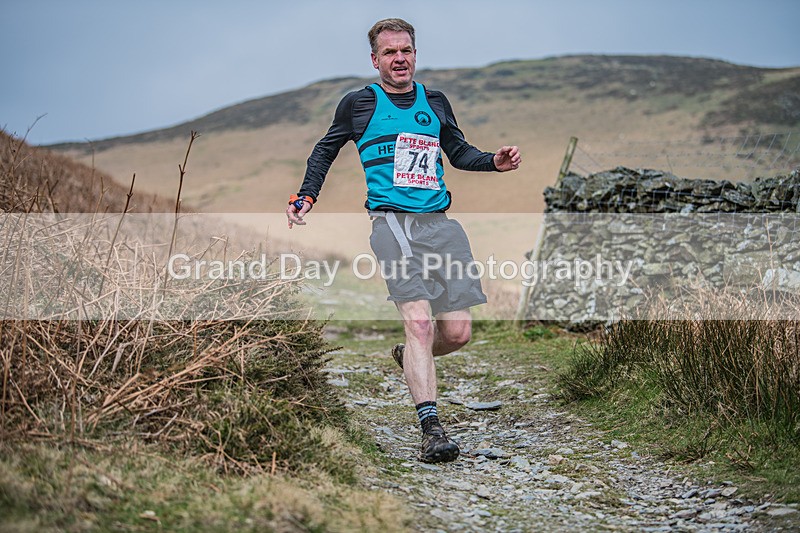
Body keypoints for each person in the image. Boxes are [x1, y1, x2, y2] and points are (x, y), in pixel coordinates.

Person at [286, 18, 521, 463]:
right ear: (375, 60)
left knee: (457, 332)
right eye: (390, 52)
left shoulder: (434, 101)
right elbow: (325, 149)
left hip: (441, 225)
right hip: (393, 224)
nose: (400, 59)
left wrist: (493, 160)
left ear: (415, 54)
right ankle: (432, 429)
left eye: (406, 50)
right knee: (419, 323)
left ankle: (409, 356)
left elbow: (458, 152)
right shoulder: (359, 103)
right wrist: (307, 195)